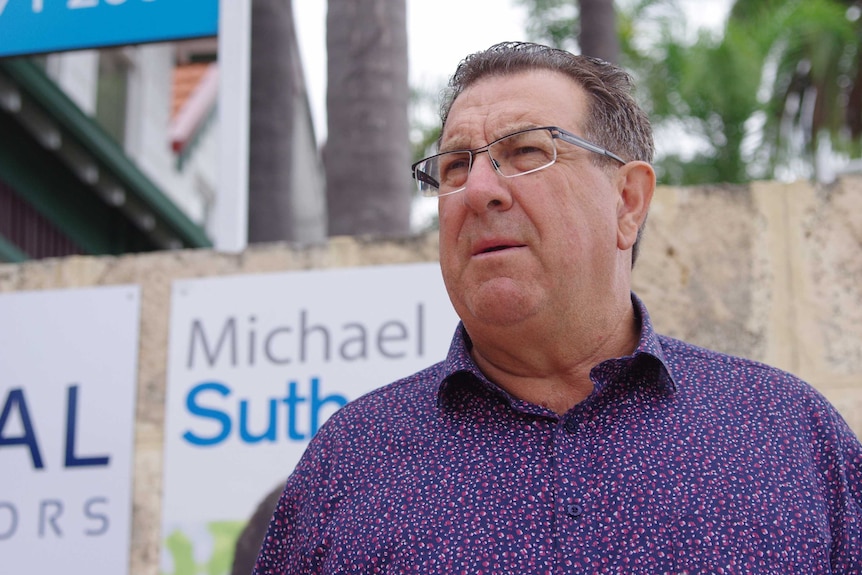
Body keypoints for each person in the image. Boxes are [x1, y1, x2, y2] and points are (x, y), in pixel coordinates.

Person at [253, 41, 862, 574]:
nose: (481, 190)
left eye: (525, 152)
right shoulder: (350, 465)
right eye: (456, 166)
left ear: (627, 201)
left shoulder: (788, 437)